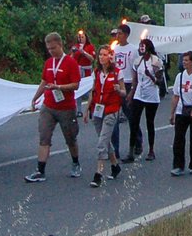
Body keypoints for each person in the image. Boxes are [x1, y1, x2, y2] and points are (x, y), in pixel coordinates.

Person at [25, 32, 82, 182]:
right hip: (49, 105)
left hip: (66, 107)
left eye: (53, 48)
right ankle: (40, 170)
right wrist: (35, 98)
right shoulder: (49, 63)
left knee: (70, 138)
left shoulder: (70, 63)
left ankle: (76, 162)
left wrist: (59, 86)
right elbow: (44, 82)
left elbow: (76, 85)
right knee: (44, 137)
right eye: (49, 49)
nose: (51, 51)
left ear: (60, 45)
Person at [86, 46, 126, 188]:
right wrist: (87, 109)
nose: (101, 57)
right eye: (100, 55)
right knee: (104, 140)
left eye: (104, 55)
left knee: (102, 143)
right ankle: (115, 165)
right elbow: (93, 91)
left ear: (110, 56)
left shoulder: (117, 73)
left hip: (111, 110)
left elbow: (124, 92)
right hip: (98, 110)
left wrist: (118, 90)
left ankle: (99, 173)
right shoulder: (96, 72)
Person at [127, 38, 165, 162]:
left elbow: (160, 82)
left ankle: (151, 150)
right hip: (139, 94)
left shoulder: (156, 61)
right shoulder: (138, 62)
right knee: (134, 122)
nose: (141, 49)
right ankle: (131, 151)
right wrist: (131, 94)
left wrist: (151, 76)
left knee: (150, 122)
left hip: (151, 96)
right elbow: (135, 80)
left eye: (143, 46)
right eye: (140, 46)